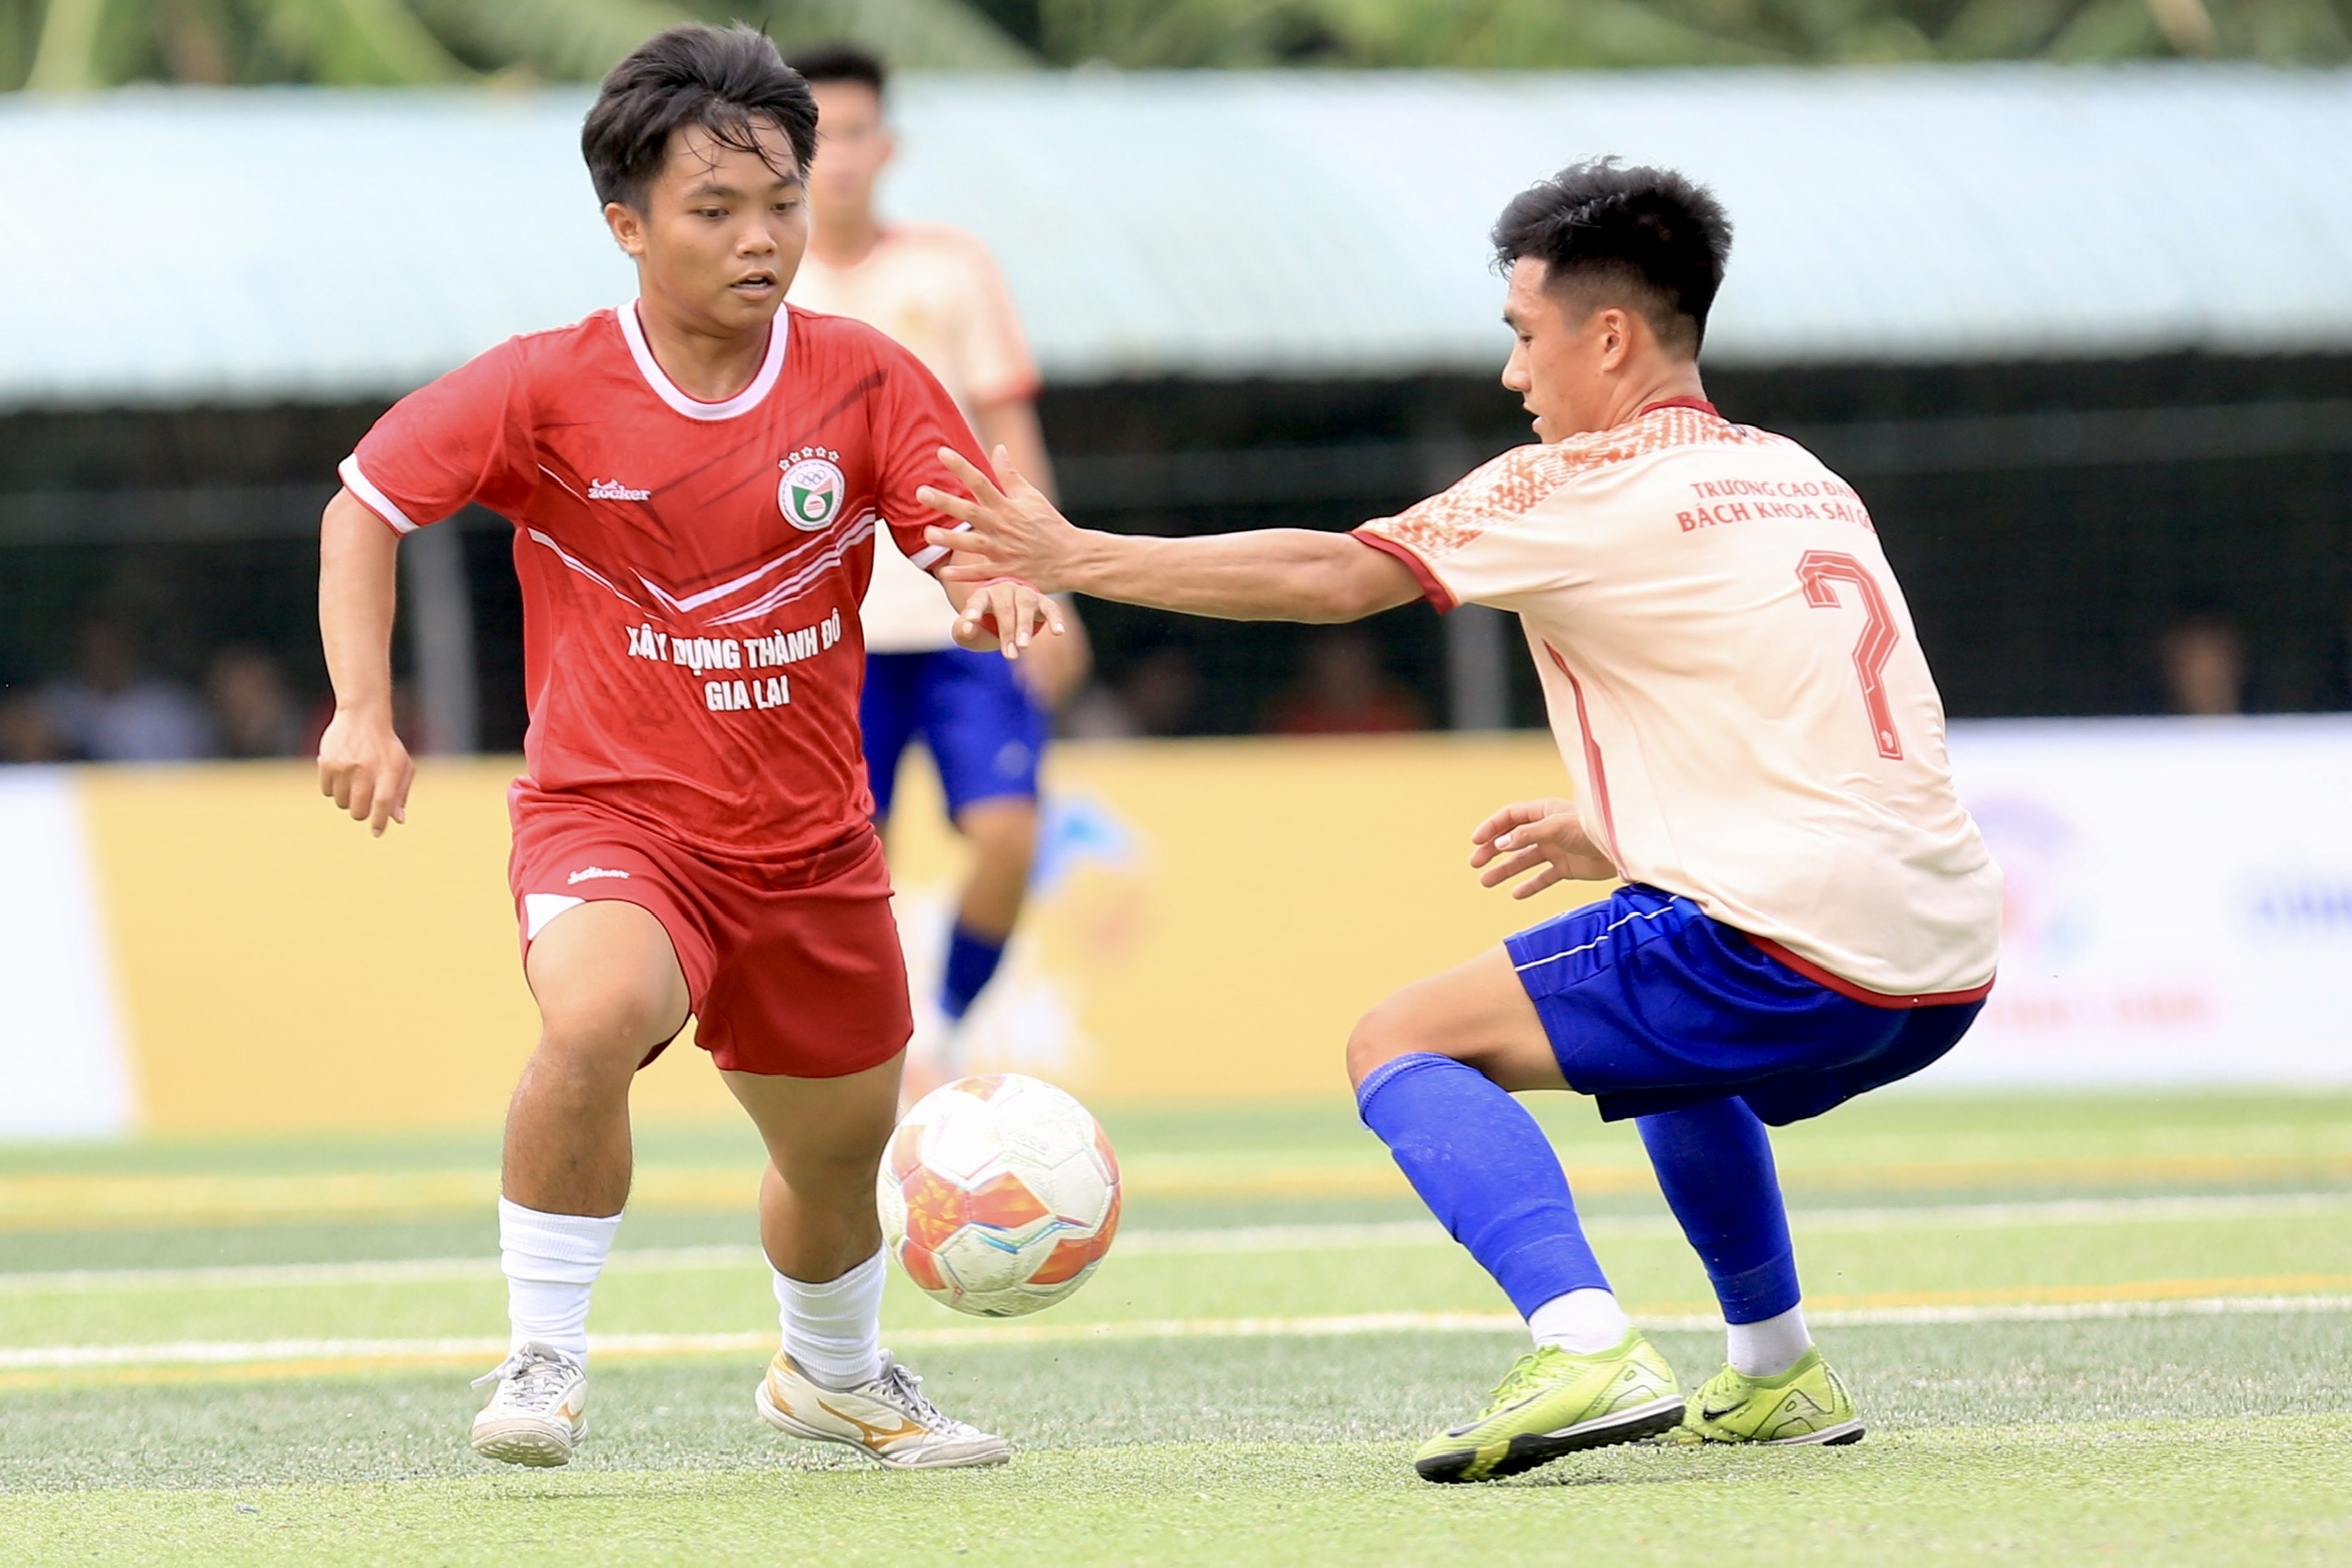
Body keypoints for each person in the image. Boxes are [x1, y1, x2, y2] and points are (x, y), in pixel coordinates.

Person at [921, 161, 2002, 1483]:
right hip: (1948, 955)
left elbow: (1332, 576)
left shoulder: (1581, 477)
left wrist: (1074, 554)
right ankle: (1775, 1367)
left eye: (1521, 333)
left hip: (1792, 936)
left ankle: (1581, 1337)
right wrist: (1624, 827)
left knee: (1399, 1040)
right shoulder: (1796, 478)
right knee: (1664, 1052)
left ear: (1607, 336)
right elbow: (1838, 713)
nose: (1512, 375)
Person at [316, 24, 1058, 1473]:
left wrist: (988, 582)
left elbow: (955, 522)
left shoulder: (864, 376)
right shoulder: (543, 385)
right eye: (715, 209)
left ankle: (833, 1373)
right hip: (616, 818)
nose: (763, 235)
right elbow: (366, 501)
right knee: (593, 1016)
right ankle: (544, 1353)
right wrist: (360, 703)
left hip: (811, 842)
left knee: (837, 1152)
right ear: (628, 224)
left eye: (780, 199)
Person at [785, 43, 1090, 1097]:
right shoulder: (760, 284)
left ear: (887, 146)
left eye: (855, 133)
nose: (837, 159)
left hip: (966, 613)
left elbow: (1008, 433)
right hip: (826, 633)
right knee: (841, 868)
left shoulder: (949, 269)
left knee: (1007, 835)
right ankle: (857, 1061)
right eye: (814, 136)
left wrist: (1049, 582)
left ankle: (951, 1031)